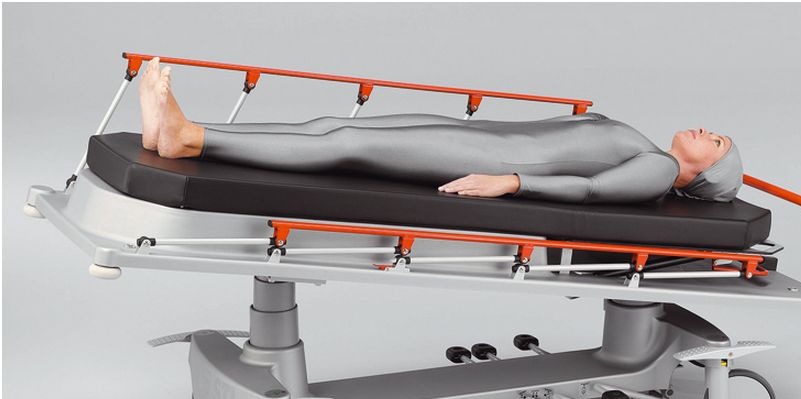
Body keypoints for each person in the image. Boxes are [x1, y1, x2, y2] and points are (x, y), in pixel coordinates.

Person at [139, 58, 743, 204]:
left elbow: (590, 190)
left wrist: (510, 182)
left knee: (347, 144)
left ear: (704, 173)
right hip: (478, 136)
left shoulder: (660, 169)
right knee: (332, 125)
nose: (704, 131)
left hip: (486, 156)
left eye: (714, 142)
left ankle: (190, 139)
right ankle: (173, 133)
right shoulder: (650, 148)